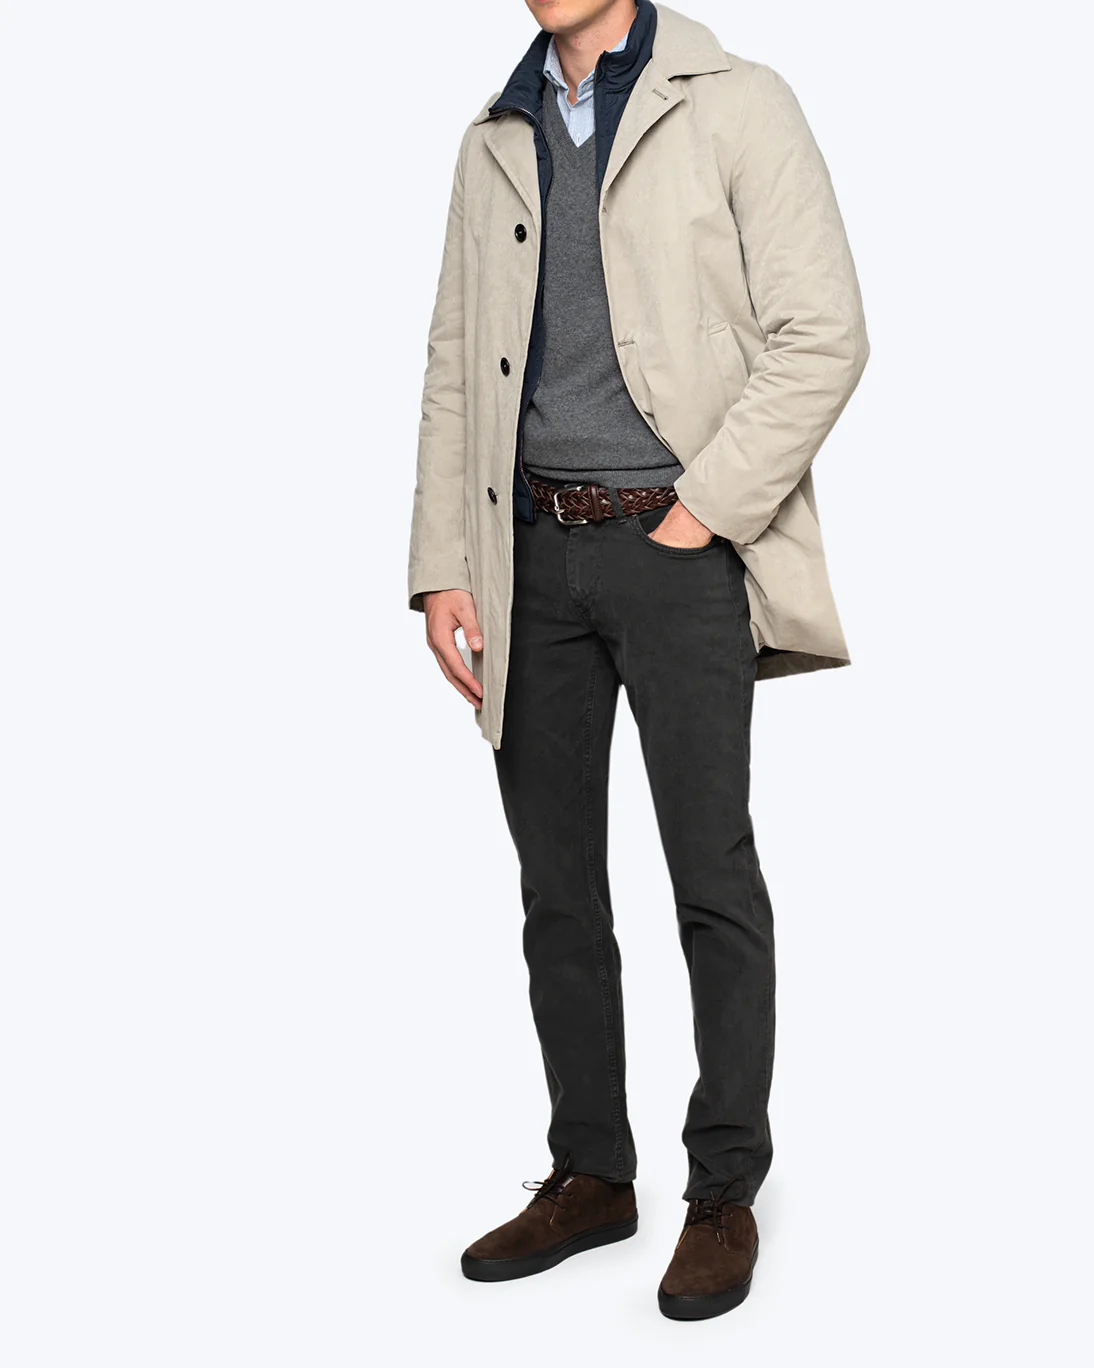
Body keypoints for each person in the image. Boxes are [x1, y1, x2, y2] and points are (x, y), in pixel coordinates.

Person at [407, 0, 868, 1320]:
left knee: (710, 875)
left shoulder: (737, 101)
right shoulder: (494, 135)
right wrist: (444, 559)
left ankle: (722, 1190)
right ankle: (591, 1174)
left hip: (679, 547)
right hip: (526, 557)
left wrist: (698, 513)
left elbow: (824, 332)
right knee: (555, 887)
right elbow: (455, 360)